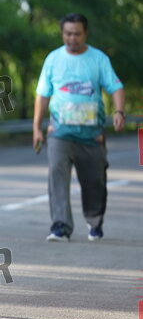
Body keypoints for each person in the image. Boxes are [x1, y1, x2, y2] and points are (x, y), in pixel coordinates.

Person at [33, 13, 125, 242]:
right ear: (62, 33)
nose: (71, 38)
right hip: (59, 133)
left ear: (85, 34)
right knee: (56, 175)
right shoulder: (53, 59)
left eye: (76, 34)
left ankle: (94, 222)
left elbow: (116, 87)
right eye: (67, 34)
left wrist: (119, 112)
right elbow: (42, 95)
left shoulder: (98, 59)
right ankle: (61, 226)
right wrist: (36, 128)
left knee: (94, 182)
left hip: (92, 135)